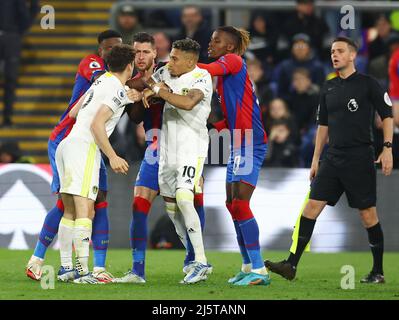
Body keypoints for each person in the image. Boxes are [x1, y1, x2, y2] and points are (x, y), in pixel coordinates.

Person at [265, 37, 394, 284]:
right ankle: (291, 264)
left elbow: (387, 115)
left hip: (360, 156)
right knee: (311, 208)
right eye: (333, 51)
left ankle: (378, 271)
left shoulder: (368, 84)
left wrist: (387, 147)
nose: (335, 55)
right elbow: (322, 125)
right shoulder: (328, 87)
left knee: (368, 214)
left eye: (340, 51)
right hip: (333, 157)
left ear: (353, 55)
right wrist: (315, 159)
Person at [25, 30, 123, 283]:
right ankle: (39, 260)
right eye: (109, 48)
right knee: (68, 203)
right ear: (99, 49)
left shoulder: (113, 78)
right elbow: (105, 83)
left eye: (118, 48)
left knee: (99, 199)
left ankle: (97, 267)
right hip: (69, 138)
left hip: (91, 144)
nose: (112, 52)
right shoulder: (94, 66)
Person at [112, 33, 208, 283]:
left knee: (191, 201)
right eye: (136, 52)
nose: (140, 56)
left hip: (189, 145)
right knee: (144, 205)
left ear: (156, 53)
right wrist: (135, 94)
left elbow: (193, 102)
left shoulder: (178, 73)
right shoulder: (141, 80)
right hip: (158, 149)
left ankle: (195, 261)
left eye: (145, 52)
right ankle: (137, 270)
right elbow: (133, 116)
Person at [55, 44, 140, 284]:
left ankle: (66, 269)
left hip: (67, 145)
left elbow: (73, 113)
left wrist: (124, 99)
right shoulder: (116, 88)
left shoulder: (101, 81)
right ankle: (83, 273)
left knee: (70, 210)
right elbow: (97, 125)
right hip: (84, 148)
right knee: (85, 210)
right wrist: (112, 156)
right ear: (130, 66)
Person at [198, 26, 270, 286]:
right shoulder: (227, 77)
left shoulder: (233, 61)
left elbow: (206, 69)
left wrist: (182, 65)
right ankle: (248, 265)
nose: (210, 43)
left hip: (249, 142)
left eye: (216, 41)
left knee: (240, 204)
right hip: (238, 142)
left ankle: (260, 271)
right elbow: (225, 120)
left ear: (228, 47)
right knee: (232, 204)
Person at [143, 39, 213, 284]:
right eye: (170, 56)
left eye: (174, 58)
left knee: (185, 197)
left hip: (191, 147)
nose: (169, 62)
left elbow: (187, 102)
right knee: (172, 209)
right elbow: (148, 82)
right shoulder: (165, 72)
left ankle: (202, 261)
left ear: (190, 61)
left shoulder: (201, 77)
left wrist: (159, 91)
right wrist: (142, 91)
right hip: (167, 150)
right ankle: (194, 258)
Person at [0, 0, 40, 126]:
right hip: (12, 38)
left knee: (10, 79)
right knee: (10, 80)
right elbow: (27, 16)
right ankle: (7, 117)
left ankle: (7, 117)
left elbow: (27, 15)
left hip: (12, 38)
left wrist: (17, 33)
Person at [274, 33, 325, 101]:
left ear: (309, 49)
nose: (300, 48)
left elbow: (321, 88)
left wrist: (309, 87)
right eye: (297, 46)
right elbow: (281, 91)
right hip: (291, 101)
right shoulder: (285, 66)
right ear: (292, 49)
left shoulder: (317, 66)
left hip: (312, 100)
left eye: (303, 46)